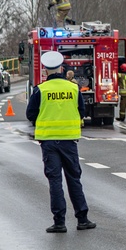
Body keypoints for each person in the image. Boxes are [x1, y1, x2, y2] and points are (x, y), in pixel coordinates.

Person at [26, 51, 97, 233]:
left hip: (49, 142)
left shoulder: (40, 90)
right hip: (69, 141)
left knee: (55, 181)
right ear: (61, 68)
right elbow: (81, 111)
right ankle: (82, 219)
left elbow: (30, 114)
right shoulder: (73, 89)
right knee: (74, 179)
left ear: (45, 70)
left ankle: (59, 222)